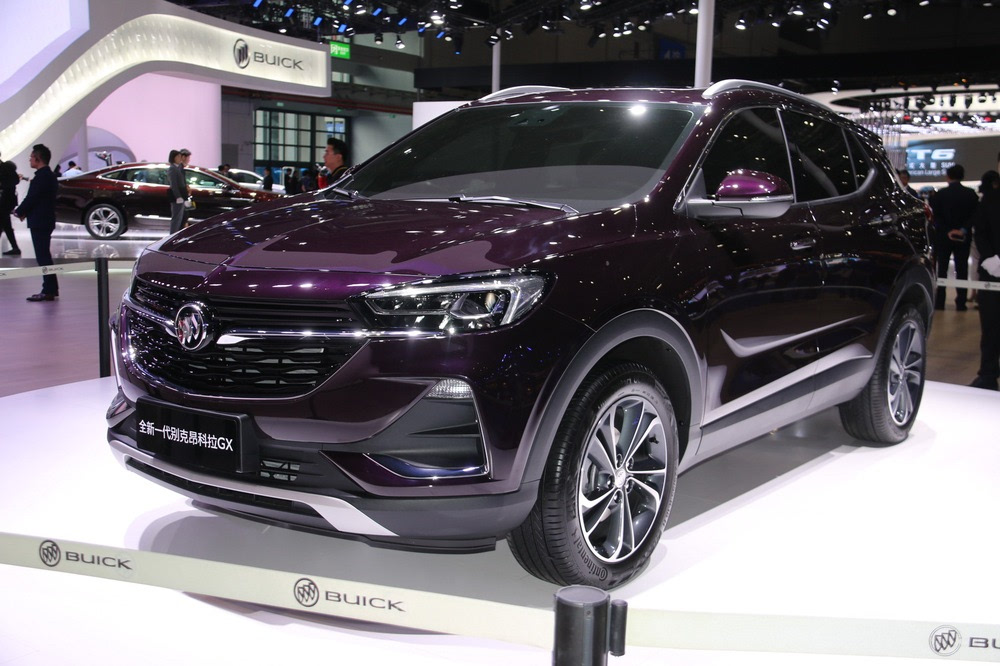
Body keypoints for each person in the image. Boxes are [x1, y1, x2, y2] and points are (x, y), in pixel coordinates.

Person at [929, 164, 979, 311]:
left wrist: (948, 230)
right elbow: (975, 215)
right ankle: (961, 302)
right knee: (962, 269)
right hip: (963, 238)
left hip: (944, 237)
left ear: (948, 176)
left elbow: (936, 217)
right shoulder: (971, 194)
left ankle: (940, 302)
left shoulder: (940, 195)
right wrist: (962, 230)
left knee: (942, 269)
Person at [15, 144, 59, 301]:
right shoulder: (49, 175)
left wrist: (19, 211)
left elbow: (32, 198)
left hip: (40, 221)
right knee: (44, 255)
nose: (30, 160)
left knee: (43, 256)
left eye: (31, 157)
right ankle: (50, 288)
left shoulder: (42, 177)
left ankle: (48, 290)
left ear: (38, 158)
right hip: (44, 219)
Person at [970, 171, 1000, 390]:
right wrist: (991, 258)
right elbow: (980, 231)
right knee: (990, 325)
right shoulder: (991, 198)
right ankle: (988, 374)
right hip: (993, 272)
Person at [0, 151, 21, 255]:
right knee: (6, 224)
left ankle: (15, 248)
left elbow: (15, 181)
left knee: (4, 223)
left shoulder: (6, 167)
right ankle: (15, 248)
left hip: (5, 201)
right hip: (5, 201)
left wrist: (2, 185)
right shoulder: (7, 167)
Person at [168, 148, 191, 234]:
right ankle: (172, 236)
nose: (180, 159)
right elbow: (174, 185)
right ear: (174, 158)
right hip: (177, 197)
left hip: (181, 196)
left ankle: (176, 235)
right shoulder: (172, 168)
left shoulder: (177, 168)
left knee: (180, 218)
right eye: (178, 157)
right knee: (176, 219)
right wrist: (178, 196)